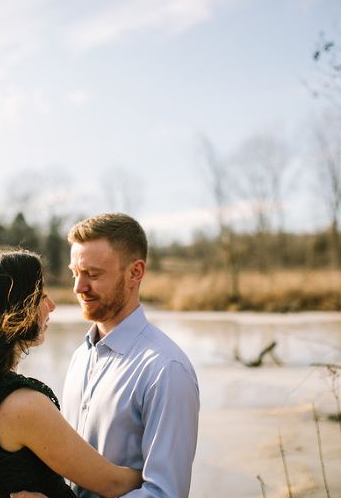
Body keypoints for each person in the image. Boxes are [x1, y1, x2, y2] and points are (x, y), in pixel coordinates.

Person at [0, 247, 143, 498]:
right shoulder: (22, 405)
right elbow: (113, 485)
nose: (51, 306)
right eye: (41, 296)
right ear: (11, 309)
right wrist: (161, 471)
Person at [62, 213, 200, 498]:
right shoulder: (79, 357)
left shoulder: (166, 369)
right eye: (75, 273)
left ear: (135, 273)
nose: (78, 287)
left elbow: (164, 494)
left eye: (93, 274)